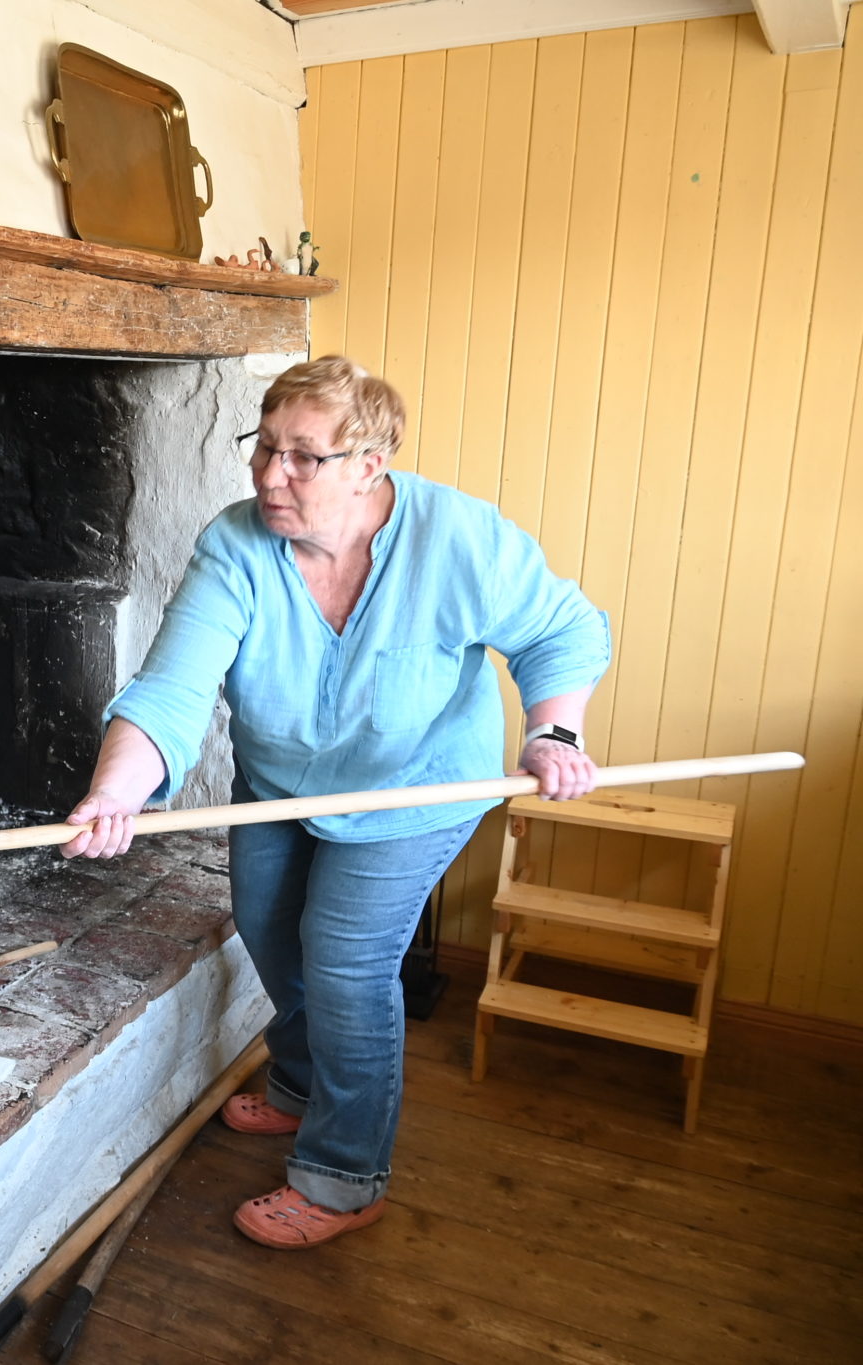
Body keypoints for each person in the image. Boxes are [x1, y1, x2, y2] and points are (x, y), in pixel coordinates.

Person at [64, 355, 608, 1249]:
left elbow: (563, 628)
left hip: (416, 788)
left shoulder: (457, 538)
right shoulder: (236, 545)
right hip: (278, 785)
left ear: (369, 465)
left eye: (303, 457)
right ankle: (303, 1085)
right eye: (265, 449)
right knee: (272, 930)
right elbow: (172, 687)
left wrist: (556, 732)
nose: (272, 475)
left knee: (349, 965)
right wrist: (116, 791)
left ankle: (345, 1174)